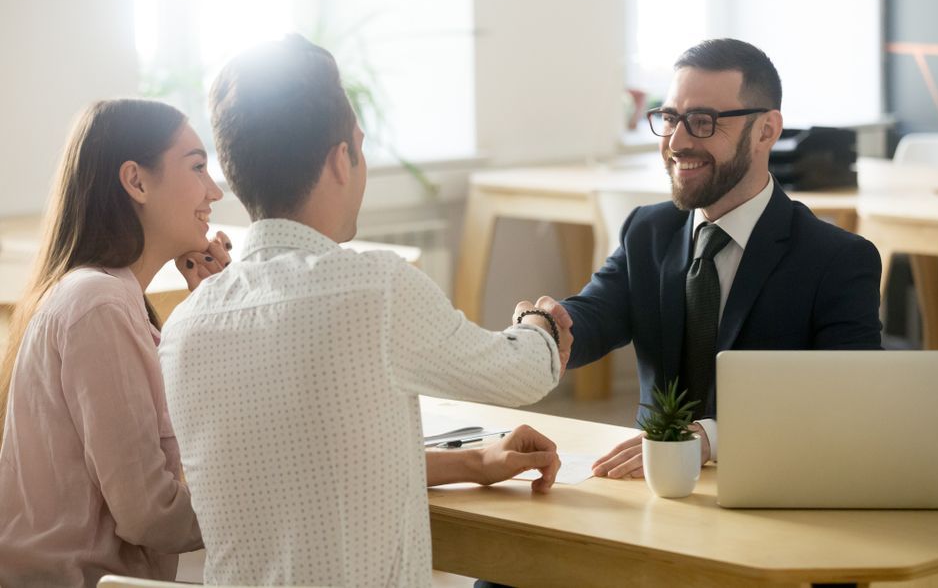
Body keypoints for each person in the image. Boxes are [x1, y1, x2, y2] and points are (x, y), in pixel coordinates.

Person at [159, 34, 571, 587]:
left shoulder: (183, 329)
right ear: (340, 160)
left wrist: (475, 461)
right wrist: (538, 323)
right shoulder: (374, 287)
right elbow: (525, 372)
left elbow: (305, 471)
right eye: (360, 144)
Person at [528, 38, 882, 479]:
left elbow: (846, 399)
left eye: (702, 122)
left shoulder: (838, 261)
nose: (676, 141)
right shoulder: (648, 231)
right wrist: (543, 328)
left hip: (775, 483)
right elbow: (597, 312)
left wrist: (708, 440)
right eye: (671, 118)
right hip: (650, 483)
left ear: (766, 131)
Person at [0, 99, 233, 587]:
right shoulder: (99, 306)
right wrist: (268, 505)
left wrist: (212, 313)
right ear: (136, 181)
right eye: (197, 167)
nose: (214, 191)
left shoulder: (106, 297)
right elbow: (150, 514)